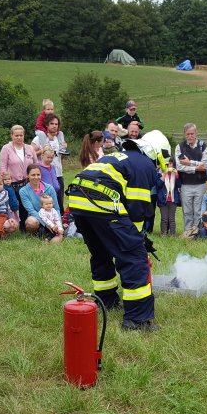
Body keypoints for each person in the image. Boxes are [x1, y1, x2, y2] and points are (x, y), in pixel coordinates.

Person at [68, 130, 170, 332]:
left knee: (101, 253)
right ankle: (137, 320)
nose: (158, 167)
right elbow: (137, 210)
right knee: (134, 258)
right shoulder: (144, 165)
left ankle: (106, 301)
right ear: (156, 153)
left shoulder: (118, 155)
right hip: (101, 203)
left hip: (78, 202)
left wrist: (135, 235)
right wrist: (138, 240)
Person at [0, 125, 37, 229]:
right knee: (12, 206)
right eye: (16, 135)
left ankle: (24, 227)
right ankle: (10, 226)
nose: (19, 137)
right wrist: (5, 181)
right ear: (12, 136)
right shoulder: (6, 149)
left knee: (25, 205)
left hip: (26, 183)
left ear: (24, 135)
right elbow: (2, 167)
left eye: (21, 135)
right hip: (11, 184)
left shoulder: (29, 148)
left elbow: (35, 164)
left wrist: (33, 176)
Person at [175, 123, 207, 237]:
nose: (190, 136)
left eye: (192, 134)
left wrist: (190, 163)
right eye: (187, 134)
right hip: (186, 184)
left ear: (196, 133)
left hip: (200, 184)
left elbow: (205, 166)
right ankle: (188, 233)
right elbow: (179, 167)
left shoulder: (203, 146)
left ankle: (197, 233)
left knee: (198, 211)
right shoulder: (179, 147)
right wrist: (195, 168)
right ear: (185, 134)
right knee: (187, 211)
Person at [31, 113, 66, 209]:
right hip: (44, 174)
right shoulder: (39, 138)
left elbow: (59, 156)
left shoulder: (58, 138)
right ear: (46, 125)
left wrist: (64, 149)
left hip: (58, 173)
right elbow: (31, 154)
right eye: (52, 124)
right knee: (47, 201)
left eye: (56, 124)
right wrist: (42, 151)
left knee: (59, 200)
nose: (54, 126)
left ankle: (62, 220)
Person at [19, 164, 60, 237]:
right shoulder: (23, 191)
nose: (36, 177)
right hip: (36, 217)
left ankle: (50, 234)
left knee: (58, 235)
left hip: (51, 217)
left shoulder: (50, 188)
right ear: (27, 175)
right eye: (33, 175)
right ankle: (35, 233)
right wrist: (46, 224)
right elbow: (31, 211)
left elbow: (56, 208)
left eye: (38, 175)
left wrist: (59, 226)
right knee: (31, 222)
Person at [157, 157, 181, 236]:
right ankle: (163, 233)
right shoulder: (160, 173)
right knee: (164, 218)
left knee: (172, 219)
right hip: (163, 199)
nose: (169, 166)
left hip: (173, 200)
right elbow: (158, 185)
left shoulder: (176, 174)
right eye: (167, 164)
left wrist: (177, 174)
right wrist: (163, 176)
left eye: (171, 164)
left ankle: (172, 234)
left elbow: (179, 185)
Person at [0, 174, 17, 239]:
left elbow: (0, 201)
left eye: (0, 184)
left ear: (3, 185)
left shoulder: (5, 193)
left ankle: (3, 236)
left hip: (1, 215)